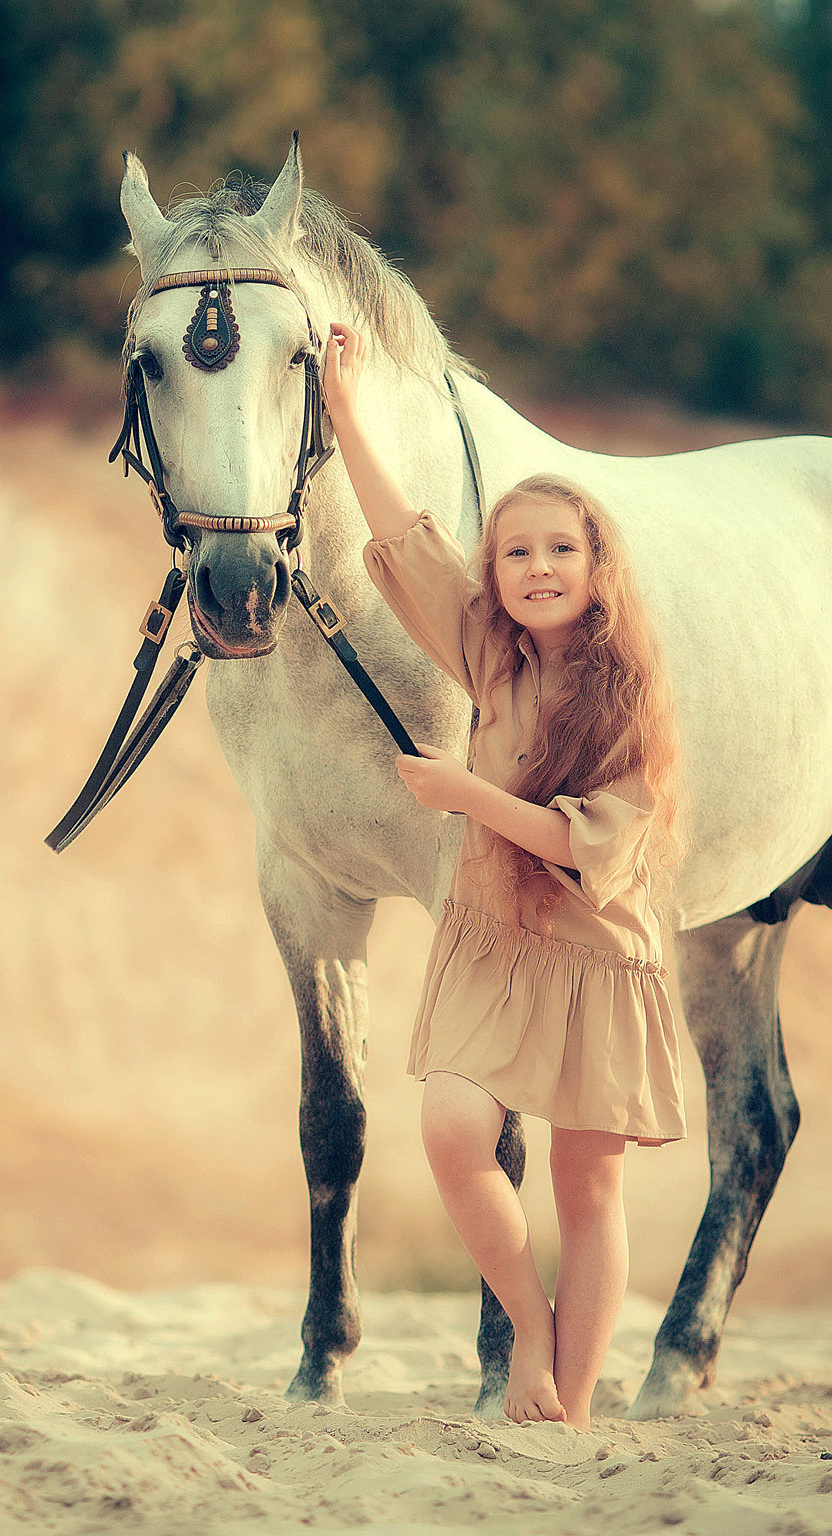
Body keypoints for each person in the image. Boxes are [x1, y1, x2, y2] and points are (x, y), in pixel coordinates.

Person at [320, 321, 686, 1431]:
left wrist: (464, 797)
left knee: (588, 1189)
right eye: (515, 552)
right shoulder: (487, 651)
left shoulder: (629, 698)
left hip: (594, 958)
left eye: (558, 551)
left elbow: (591, 847)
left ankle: (568, 1410)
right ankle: (524, 1326)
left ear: (595, 569)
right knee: (448, 1132)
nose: (535, 569)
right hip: (491, 940)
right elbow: (399, 536)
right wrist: (342, 406)